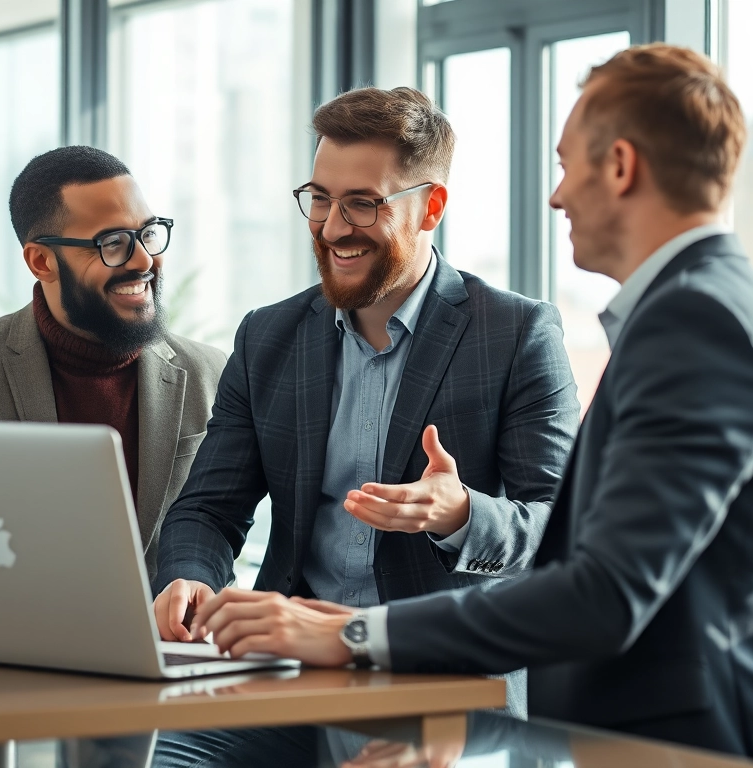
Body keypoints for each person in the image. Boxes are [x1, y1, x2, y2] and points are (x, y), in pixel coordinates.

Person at [193, 44, 753, 767]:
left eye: (565, 165)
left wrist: (353, 634)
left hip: (663, 744)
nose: (556, 197)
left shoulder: (696, 326)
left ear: (619, 166)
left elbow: (601, 592)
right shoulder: (710, 310)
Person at [149, 86, 581, 762]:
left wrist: (462, 513)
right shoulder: (270, 337)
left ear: (430, 206)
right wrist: (191, 578)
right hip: (285, 675)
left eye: (363, 203)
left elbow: (561, 530)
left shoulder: (516, 334)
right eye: (320, 198)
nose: (332, 226)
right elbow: (208, 508)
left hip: (439, 684)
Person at [0, 146, 226, 589]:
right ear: (41, 261)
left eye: (148, 234)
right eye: (112, 243)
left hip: (170, 649)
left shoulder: (212, 373)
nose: (143, 260)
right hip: (8, 643)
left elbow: (223, 529)